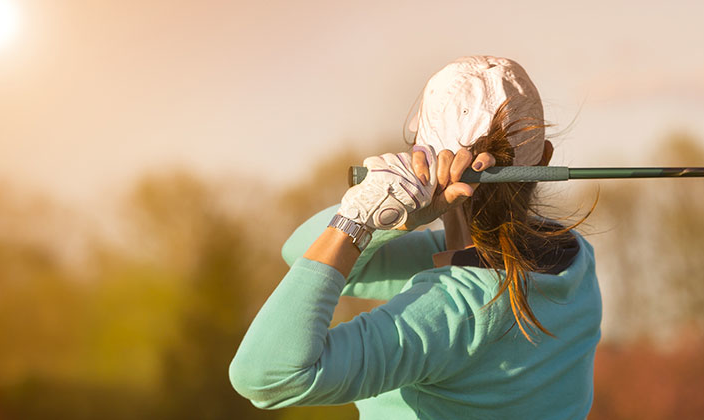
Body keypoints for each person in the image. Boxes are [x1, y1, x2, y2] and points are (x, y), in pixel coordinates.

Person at [229, 56, 600, 419]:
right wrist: (392, 224)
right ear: (544, 159)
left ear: (420, 157)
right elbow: (298, 250)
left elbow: (266, 377)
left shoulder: (456, 311)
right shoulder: (576, 260)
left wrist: (361, 220)